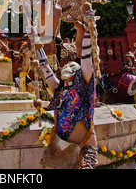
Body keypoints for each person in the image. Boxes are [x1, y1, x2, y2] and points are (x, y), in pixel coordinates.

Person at [29, 16, 98, 169]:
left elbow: (87, 60)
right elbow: (45, 66)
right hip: (60, 148)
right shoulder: (60, 89)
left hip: (84, 148)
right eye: (66, 67)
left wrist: (87, 29)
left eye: (72, 67)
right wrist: (34, 40)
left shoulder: (84, 88)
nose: (67, 68)